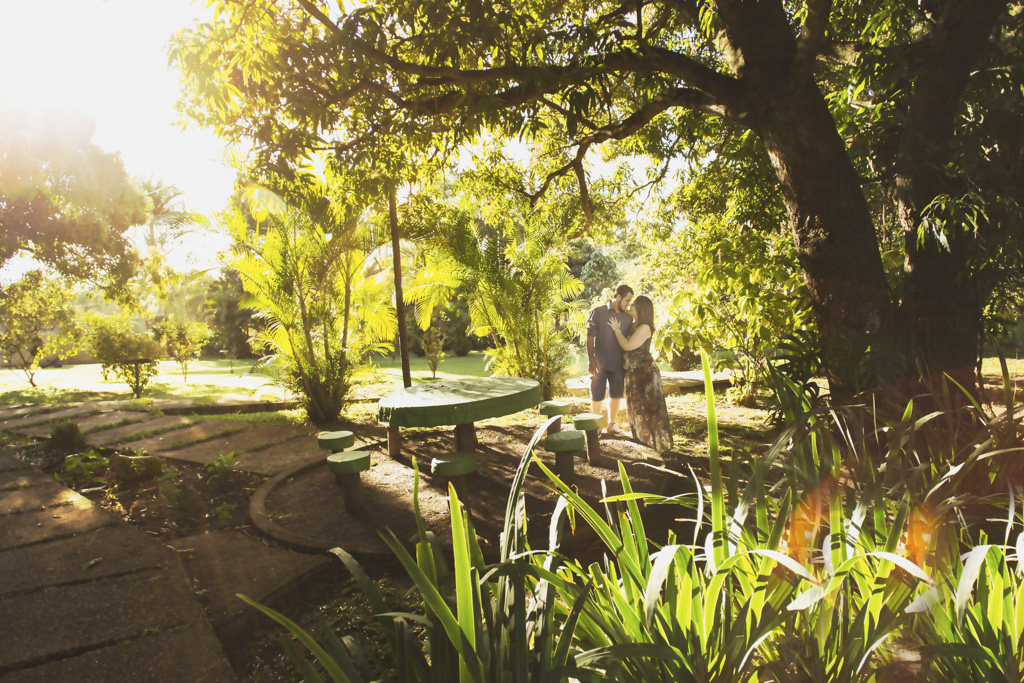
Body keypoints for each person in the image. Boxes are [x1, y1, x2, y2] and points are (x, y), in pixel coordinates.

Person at [608, 295, 673, 454]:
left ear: (641, 309)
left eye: (634, 305)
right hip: (634, 374)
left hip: (644, 375)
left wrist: (616, 330)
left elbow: (628, 345)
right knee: (637, 409)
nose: (631, 306)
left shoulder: (644, 327)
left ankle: (655, 446)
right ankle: (643, 442)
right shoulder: (635, 325)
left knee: (648, 410)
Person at [586, 284, 633, 435]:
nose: (628, 304)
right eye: (627, 300)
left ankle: (612, 424)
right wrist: (591, 359)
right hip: (599, 362)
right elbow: (590, 337)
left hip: (618, 364)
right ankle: (597, 426)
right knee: (597, 393)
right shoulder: (598, 312)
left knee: (616, 394)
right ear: (618, 297)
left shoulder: (628, 317)